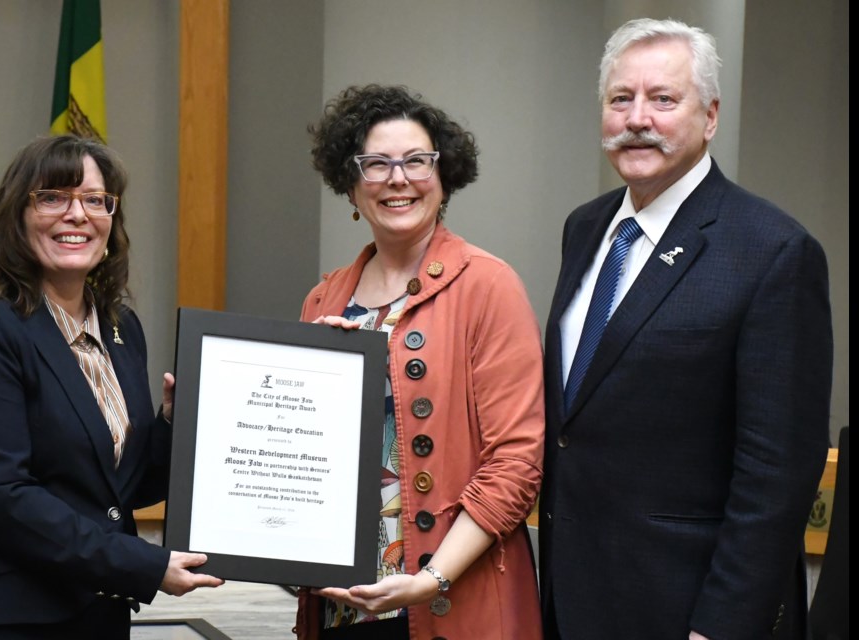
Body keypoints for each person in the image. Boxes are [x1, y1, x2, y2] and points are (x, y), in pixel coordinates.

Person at [539, 18, 833, 640]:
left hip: (687, 607)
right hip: (573, 593)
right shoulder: (586, 228)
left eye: (663, 99)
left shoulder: (773, 251)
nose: (636, 118)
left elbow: (776, 474)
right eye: (621, 99)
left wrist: (722, 626)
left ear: (711, 116)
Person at [0, 134, 223, 639]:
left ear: (111, 219)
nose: (77, 214)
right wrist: (143, 563)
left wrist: (169, 423)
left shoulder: (120, 327)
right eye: (53, 197)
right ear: (18, 214)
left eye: (95, 200)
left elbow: (114, 490)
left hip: (93, 614)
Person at [295, 84, 545, 640]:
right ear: (350, 183)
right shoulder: (323, 300)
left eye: (416, 161)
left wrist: (432, 577)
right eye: (376, 164)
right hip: (345, 607)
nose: (397, 178)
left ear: (443, 174)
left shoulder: (489, 286)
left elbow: (517, 462)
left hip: (453, 601)